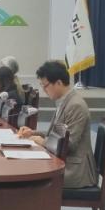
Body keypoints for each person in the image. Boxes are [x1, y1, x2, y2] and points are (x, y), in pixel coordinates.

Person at [18, 61, 96, 189]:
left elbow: (69, 145)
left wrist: (42, 142)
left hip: (74, 171)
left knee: (28, 176)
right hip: (62, 161)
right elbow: (56, 135)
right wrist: (33, 133)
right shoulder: (64, 101)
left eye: (45, 86)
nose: (44, 90)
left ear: (59, 83)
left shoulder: (76, 105)